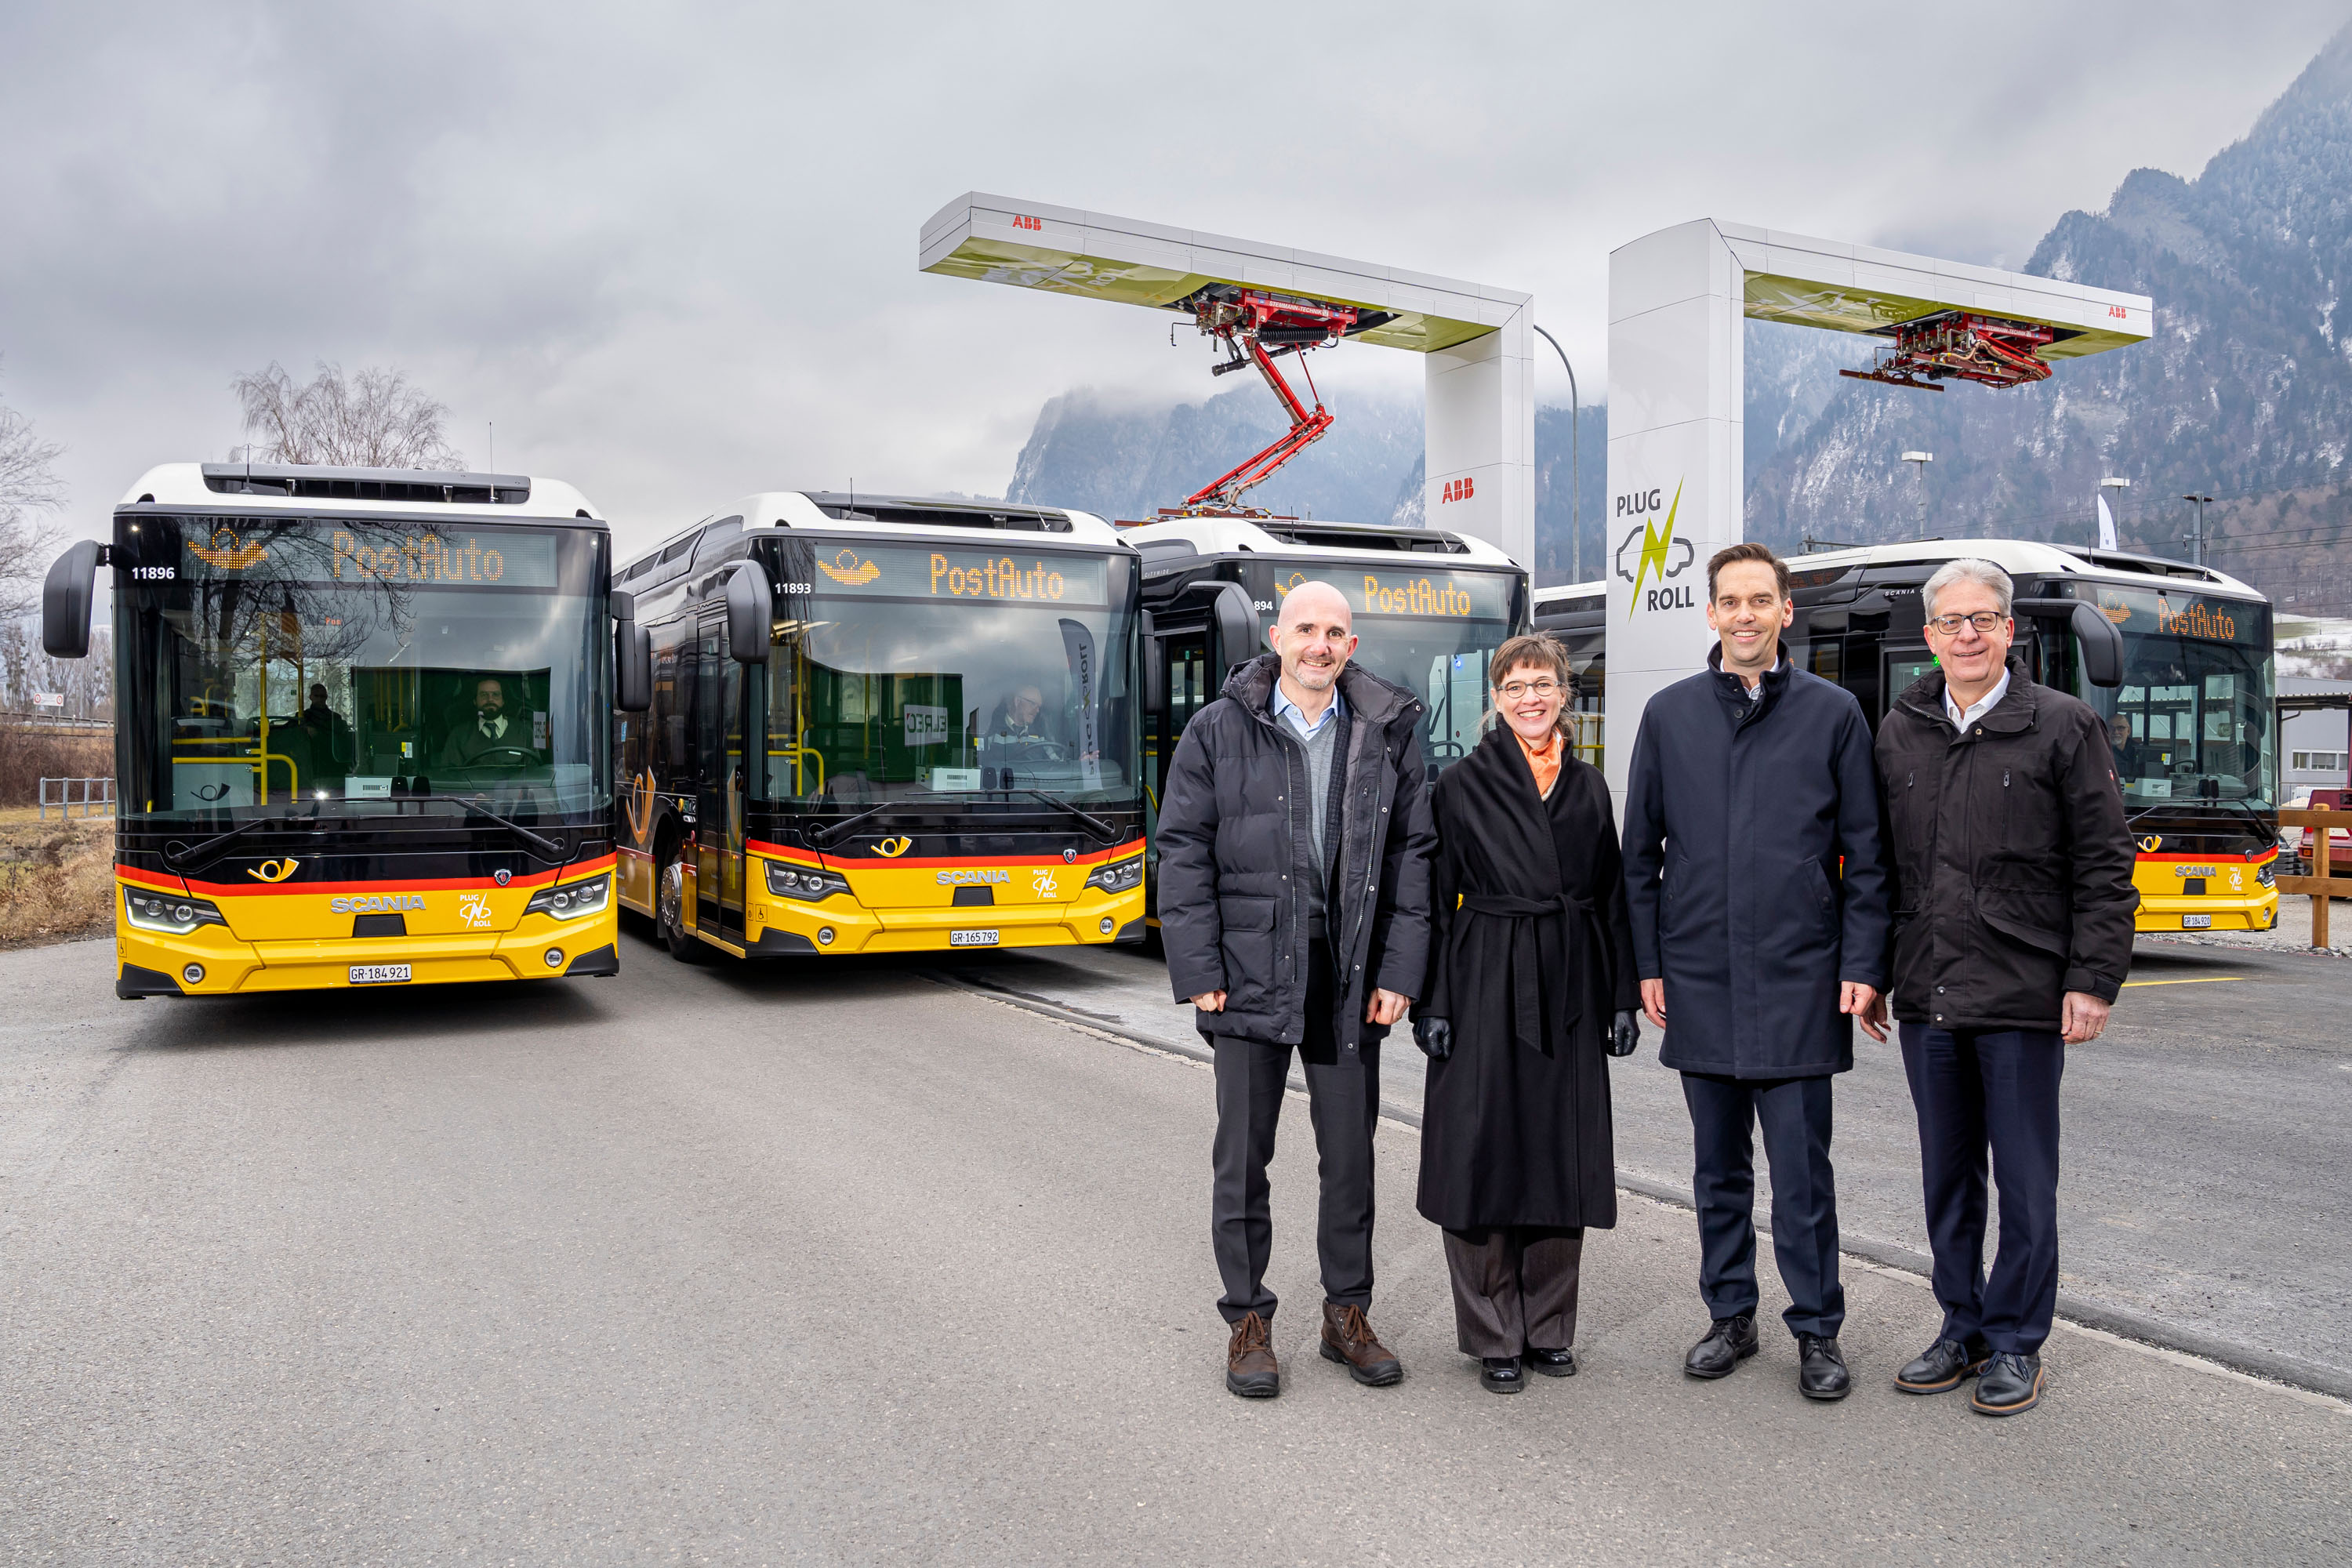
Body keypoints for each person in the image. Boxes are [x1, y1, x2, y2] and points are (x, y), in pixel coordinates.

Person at [1621, 542, 1890, 1402]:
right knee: (1718, 1170)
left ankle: (1817, 1330)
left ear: (1785, 612)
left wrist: (1862, 962)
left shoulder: (1836, 714)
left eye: (1758, 601)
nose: (1743, 615)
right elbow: (1639, 860)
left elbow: (1871, 856)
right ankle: (1729, 1315)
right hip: (1698, 973)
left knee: (1804, 1174)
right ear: (1710, 613)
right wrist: (1648, 964)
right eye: (1728, 601)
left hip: (1801, 977)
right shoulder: (1667, 715)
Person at [1871, 558, 2138, 1417]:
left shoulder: (2063, 727)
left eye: (1983, 618)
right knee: (1947, 1177)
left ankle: (2018, 1339)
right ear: (1930, 636)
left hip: (2024, 995)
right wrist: (1873, 971)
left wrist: (2092, 979)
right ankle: (1963, 1321)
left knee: (2024, 1179)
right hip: (1928, 996)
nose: (1968, 635)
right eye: (1952, 622)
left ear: (2010, 629)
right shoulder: (1901, 728)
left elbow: (2106, 865)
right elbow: (1878, 867)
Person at [1156, 579, 1435, 1400]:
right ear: (1278, 636)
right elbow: (1182, 851)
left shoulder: (1386, 729)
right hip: (1246, 972)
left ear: (1352, 645)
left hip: (1347, 976)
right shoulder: (1217, 728)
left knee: (1349, 1158)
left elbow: (1415, 856)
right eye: (1307, 628)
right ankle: (1248, 1320)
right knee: (1243, 1158)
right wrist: (1199, 968)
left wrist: (1400, 970)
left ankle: (1346, 1313)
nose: (1321, 643)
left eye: (1337, 631)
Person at [1411, 634, 1641, 1395]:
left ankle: (1548, 1326)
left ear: (1564, 693)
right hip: (1482, 978)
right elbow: (1434, 905)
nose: (1531, 697)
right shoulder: (1460, 785)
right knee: (1481, 1153)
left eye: (1544, 683)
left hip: (1571, 982)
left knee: (1558, 1154)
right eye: (1516, 686)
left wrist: (1620, 997)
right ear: (1497, 698)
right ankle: (1491, 1332)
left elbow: (1610, 898)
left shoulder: (1588, 787)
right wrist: (1432, 1001)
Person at [441, 677, 527, 770]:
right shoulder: (459, 735)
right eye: (484, 695)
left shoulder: (524, 732)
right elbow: (450, 774)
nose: (490, 699)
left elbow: (534, 773)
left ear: (503, 701)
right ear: (475, 701)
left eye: (496, 694)